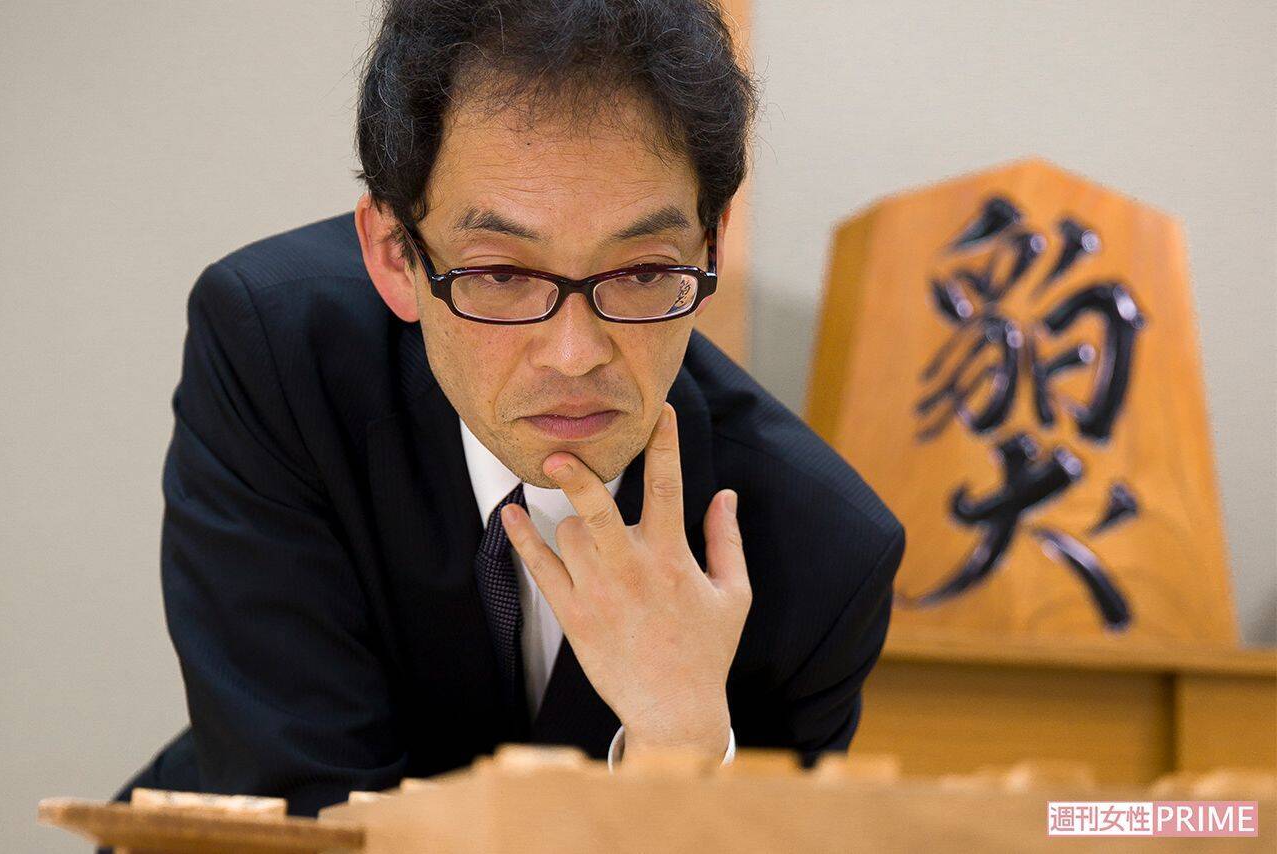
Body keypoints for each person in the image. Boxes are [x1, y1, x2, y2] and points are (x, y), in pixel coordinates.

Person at [111, 0, 905, 818]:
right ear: (394, 256)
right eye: (500, 274)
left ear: (711, 246)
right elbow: (303, 803)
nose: (575, 354)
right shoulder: (279, 354)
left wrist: (682, 748)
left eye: (641, 272)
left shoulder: (822, 552)